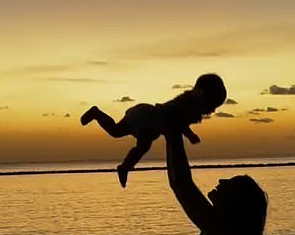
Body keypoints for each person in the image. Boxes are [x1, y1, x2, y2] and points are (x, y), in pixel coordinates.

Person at [80, 74, 227, 188]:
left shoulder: (187, 104)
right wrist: (187, 136)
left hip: (144, 114)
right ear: (201, 96)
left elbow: (179, 122)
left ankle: (97, 114)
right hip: (148, 120)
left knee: (117, 132)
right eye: (212, 105)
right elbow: (177, 121)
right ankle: (124, 167)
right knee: (142, 146)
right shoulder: (189, 106)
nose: (213, 110)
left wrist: (189, 135)